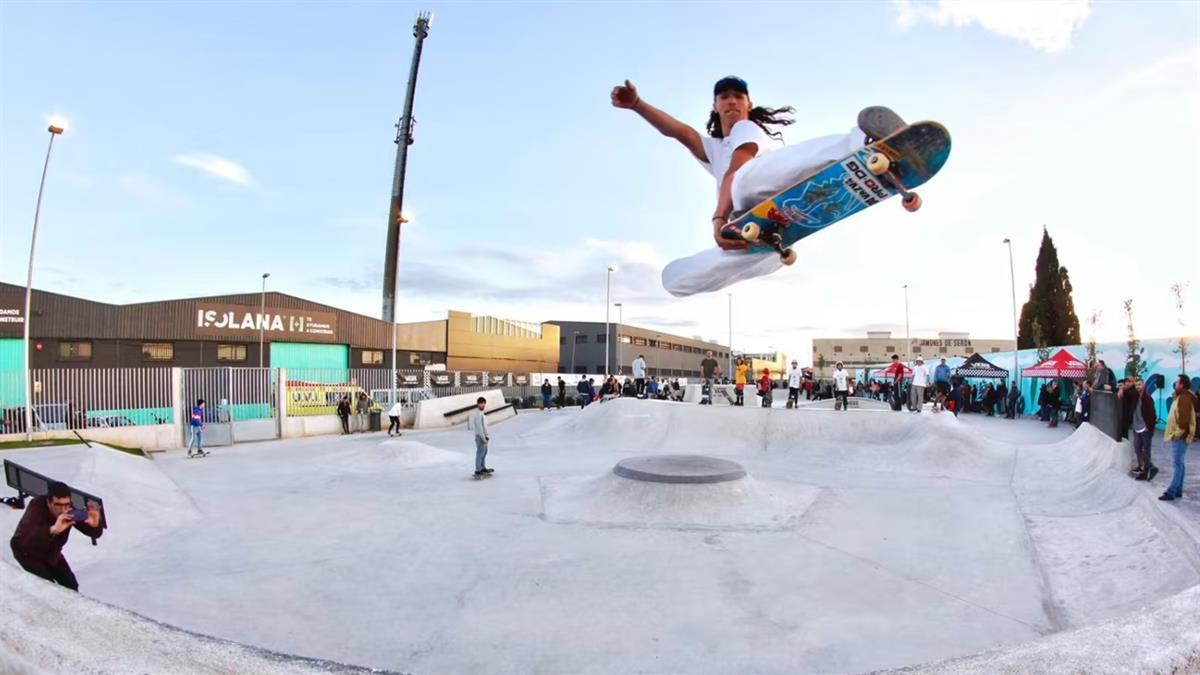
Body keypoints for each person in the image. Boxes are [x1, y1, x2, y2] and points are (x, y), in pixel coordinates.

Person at [612, 76, 905, 297]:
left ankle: (865, 140)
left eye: (739, 96)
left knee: (742, 180)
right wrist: (637, 104)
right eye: (724, 97)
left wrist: (719, 218)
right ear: (715, 106)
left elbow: (735, 169)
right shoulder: (714, 147)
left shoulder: (747, 129)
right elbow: (680, 132)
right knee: (674, 279)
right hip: (760, 245)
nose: (731, 101)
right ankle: (765, 238)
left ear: (748, 104)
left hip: (758, 195)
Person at [9, 481, 103, 591]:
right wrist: (52, 530)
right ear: (48, 502)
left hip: (52, 552)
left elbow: (94, 533)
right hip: (29, 554)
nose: (63, 510)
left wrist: (95, 524)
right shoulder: (36, 507)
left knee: (71, 585)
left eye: (66, 504)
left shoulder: (69, 509)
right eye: (58, 505)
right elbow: (26, 538)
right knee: (49, 587)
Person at [1160, 374, 1196, 501]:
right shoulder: (1181, 397)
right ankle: (1178, 489)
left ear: (1181, 385)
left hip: (1180, 437)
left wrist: (1176, 434)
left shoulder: (1184, 399)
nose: (1175, 384)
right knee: (1180, 463)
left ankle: (1171, 491)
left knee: (1177, 463)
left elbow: (1184, 421)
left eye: (1176, 382)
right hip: (1180, 436)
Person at [1129, 378, 1158, 481]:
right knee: (1137, 448)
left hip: (1145, 429)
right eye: (1136, 385)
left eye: (1139, 385)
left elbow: (1153, 415)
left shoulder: (1147, 398)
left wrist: (1148, 426)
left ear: (1144, 385)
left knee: (1146, 451)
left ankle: (1146, 472)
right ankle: (1151, 467)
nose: (1137, 387)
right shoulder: (1136, 397)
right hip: (1137, 427)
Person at [467, 397, 493, 478]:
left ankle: (482, 467)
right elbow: (479, 427)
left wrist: (487, 436)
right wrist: (483, 437)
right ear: (478, 404)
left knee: (484, 453)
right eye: (481, 403)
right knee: (480, 453)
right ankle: (478, 470)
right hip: (480, 436)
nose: (483, 405)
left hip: (484, 436)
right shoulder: (478, 414)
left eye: (484, 403)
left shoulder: (481, 413)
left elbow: (484, 426)